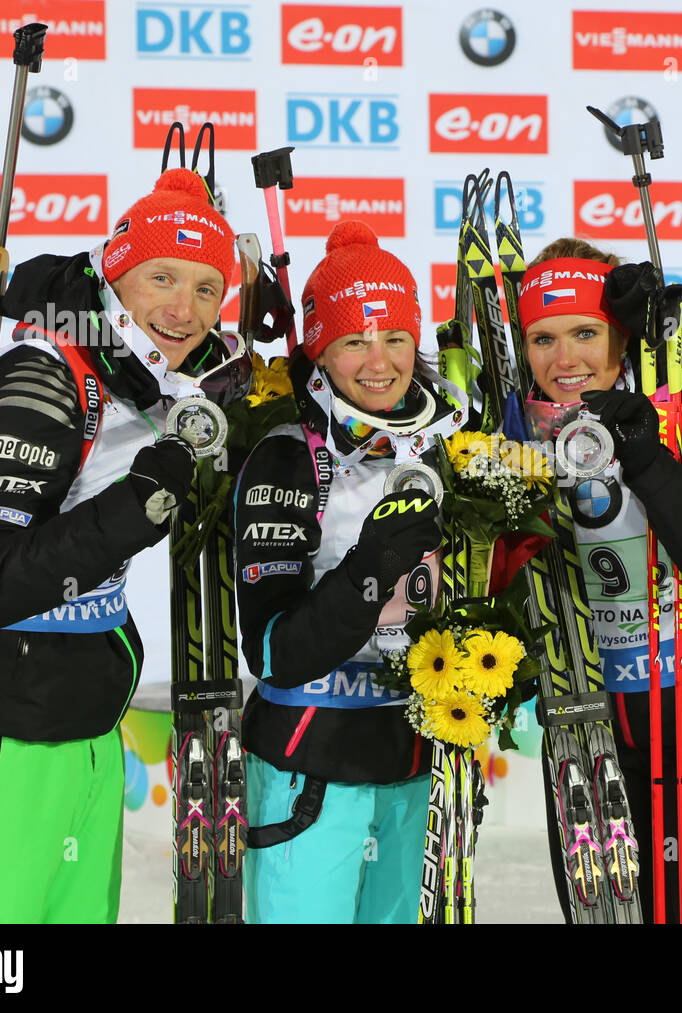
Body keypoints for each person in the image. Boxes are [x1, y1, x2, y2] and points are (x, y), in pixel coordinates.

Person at [0, 167, 247, 923]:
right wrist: (136, 507)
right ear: (115, 277)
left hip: (78, 726)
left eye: (207, 288)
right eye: (162, 277)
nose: (184, 309)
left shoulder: (145, 378)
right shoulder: (45, 379)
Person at [516, 238, 682, 923]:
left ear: (620, 335)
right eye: (543, 337)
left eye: (584, 332)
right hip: (591, 733)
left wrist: (649, 458)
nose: (564, 359)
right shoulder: (515, 436)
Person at [235, 220, 469, 923]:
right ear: (319, 349)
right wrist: (369, 570)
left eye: (395, 336)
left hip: (410, 758)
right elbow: (273, 651)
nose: (379, 360)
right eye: (353, 340)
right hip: (312, 756)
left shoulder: (450, 444)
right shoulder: (286, 457)